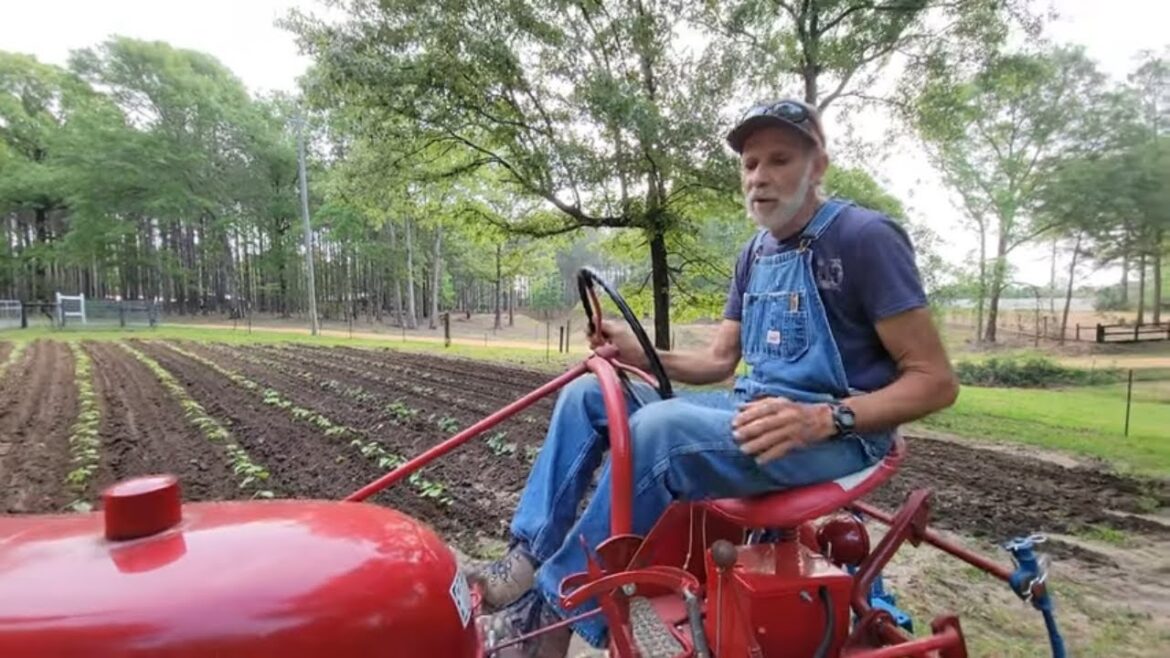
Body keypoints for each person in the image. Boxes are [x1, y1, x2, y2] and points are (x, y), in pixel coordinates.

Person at [473, 98, 959, 657]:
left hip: (839, 436)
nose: (760, 178)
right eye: (751, 164)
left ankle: (552, 612)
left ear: (818, 166)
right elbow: (719, 363)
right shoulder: (754, 253)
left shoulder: (863, 239)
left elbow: (936, 380)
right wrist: (640, 352)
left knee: (659, 431)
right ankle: (528, 555)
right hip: (755, 413)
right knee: (588, 394)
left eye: (779, 160)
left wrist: (824, 418)